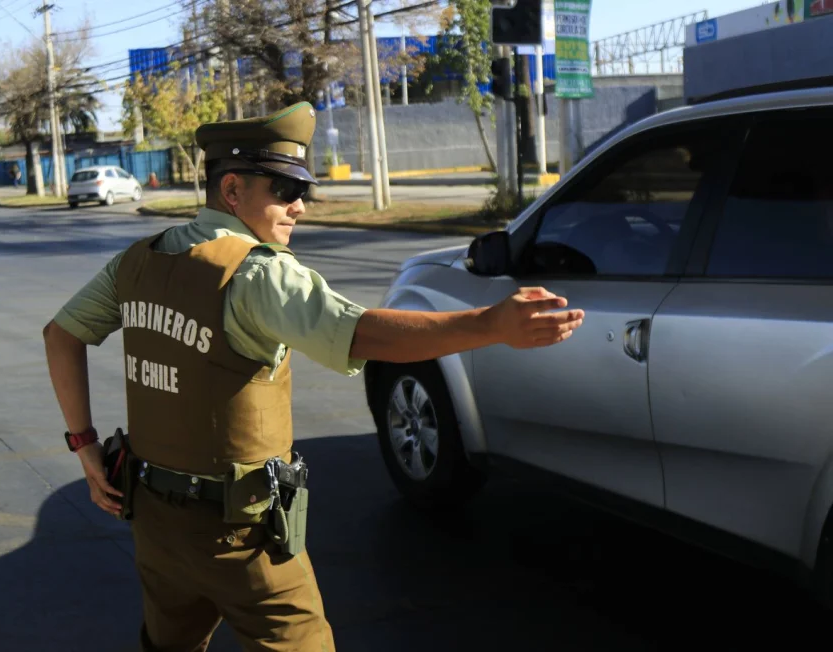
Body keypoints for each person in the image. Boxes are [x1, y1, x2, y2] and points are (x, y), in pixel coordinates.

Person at [42, 101, 584, 652]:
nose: (300, 206)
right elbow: (364, 333)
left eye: (303, 191)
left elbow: (60, 335)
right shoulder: (258, 274)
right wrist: (489, 323)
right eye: (284, 190)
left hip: (156, 528)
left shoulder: (136, 261)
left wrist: (85, 447)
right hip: (242, 539)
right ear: (232, 191)